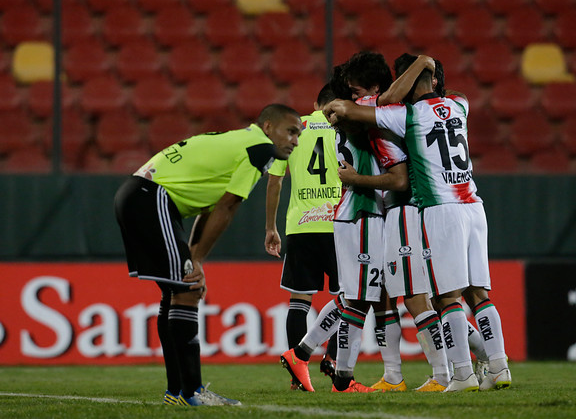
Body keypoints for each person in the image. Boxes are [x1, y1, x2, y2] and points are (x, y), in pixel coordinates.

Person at [324, 53, 512, 392]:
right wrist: (426, 67)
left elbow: (359, 110)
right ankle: (497, 365)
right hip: (470, 203)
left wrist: (352, 174)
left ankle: (457, 374)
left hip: (432, 208)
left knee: (441, 296)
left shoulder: (404, 115)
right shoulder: (460, 104)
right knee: (474, 293)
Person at [114, 104, 303, 406]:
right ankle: (192, 393)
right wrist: (197, 261)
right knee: (189, 288)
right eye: (290, 131)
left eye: (299, 134)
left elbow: (213, 207)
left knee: (176, 292)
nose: (295, 140)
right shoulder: (260, 149)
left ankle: (178, 392)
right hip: (152, 197)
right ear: (268, 127)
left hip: (139, 195)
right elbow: (228, 206)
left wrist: (194, 255)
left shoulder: (240, 143)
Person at [335, 53, 451, 393]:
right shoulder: (415, 111)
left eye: (357, 92)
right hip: (408, 213)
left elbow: (399, 180)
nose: (353, 99)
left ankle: (448, 373)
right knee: (396, 297)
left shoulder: (386, 119)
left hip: (407, 211)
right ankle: (397, 376)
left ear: (372, 89)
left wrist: (355, 179)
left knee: (416, 297)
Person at [264, 84, 342, 391]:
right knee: (345, 300)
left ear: (315, 103)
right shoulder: (345, 128)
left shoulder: (295, 129)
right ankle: (336, 362)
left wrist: (271, 226)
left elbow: (275, 181)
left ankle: (298, 375)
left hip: (301, 224)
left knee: (299, 299)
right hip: (340, 224)